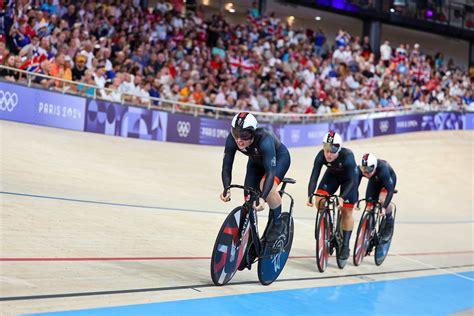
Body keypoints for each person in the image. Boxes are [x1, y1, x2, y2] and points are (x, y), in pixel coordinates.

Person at [220, 112, 291, 249]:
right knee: (249, 198)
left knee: (266, 187)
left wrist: (263, 198)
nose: (239, 140)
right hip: (255, 162)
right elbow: (226, 166)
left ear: (253, 132)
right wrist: (226, 188)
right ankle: (250, 238)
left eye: (244, 135)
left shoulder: (265, 138)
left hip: (279, 159)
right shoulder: (232, 139)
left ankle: (278, 223)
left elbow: (270, 171)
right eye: (236, 133)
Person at [307, 131, 358, 260]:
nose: (328, 154)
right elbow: (314, 176)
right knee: (320, 199)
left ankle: (345, 245)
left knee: (346, 211)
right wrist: (310, 195)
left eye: (332, 151)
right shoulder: (320, 155)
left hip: (349, 181)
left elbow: (353, 180)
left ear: (339, 149)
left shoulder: (348, 156)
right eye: (326, 150)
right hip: (332, 177)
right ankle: (327, 226)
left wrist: (342, 197)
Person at [358, 153, 397, 241]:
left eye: (368, 170)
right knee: (369, 205)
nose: (366, 172)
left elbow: (390, 190)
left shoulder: (383, 170)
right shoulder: (363, 170)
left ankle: (389, 221)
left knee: (382, 200)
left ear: (374, 167)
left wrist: (383, 207)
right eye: (364, 169)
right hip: (375, 180)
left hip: (387, 181)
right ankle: (371, 230)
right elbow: (355, 185)